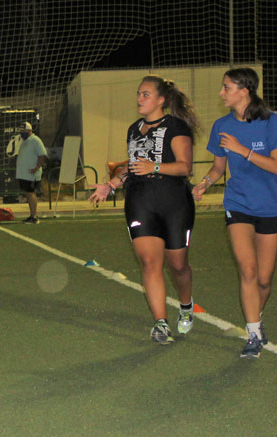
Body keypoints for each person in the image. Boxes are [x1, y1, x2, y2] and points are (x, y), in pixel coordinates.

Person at [89, 75, 199, 345]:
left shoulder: (176, 127)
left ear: (161, 100)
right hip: (140, 201)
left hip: (174, 202)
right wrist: (111, 184)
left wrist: (156, 167)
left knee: (178, 265)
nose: (139, 98)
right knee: (150, 262)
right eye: (138, 93)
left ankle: (186, 306)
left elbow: (185, 167)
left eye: (146, 94)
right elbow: (133, 167)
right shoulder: (133, 129)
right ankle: (160, 323)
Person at [192, 67, 277, 359]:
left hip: (270, 205)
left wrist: (242, 150)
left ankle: (255, 320)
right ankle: (253, 334)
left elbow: (275, 166)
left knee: (263, 279)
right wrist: (205, 183)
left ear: (244, 91)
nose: (221, 93)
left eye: (226, 88)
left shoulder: (272, 122)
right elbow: (219, 168)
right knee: (247, 270)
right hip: (238, 204)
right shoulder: (222, 126)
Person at [14, 122, 47, 223]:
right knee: (28, 194)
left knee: (30, 193)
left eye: (24, 131)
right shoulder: (25, 141)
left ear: (29, 131)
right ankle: (32, 214)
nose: (22, 133)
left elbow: (42, 155)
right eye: (21, 131)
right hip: (24, 173)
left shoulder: (35, 141)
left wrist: (37, 167)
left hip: (31, 173)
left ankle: (34, 216)